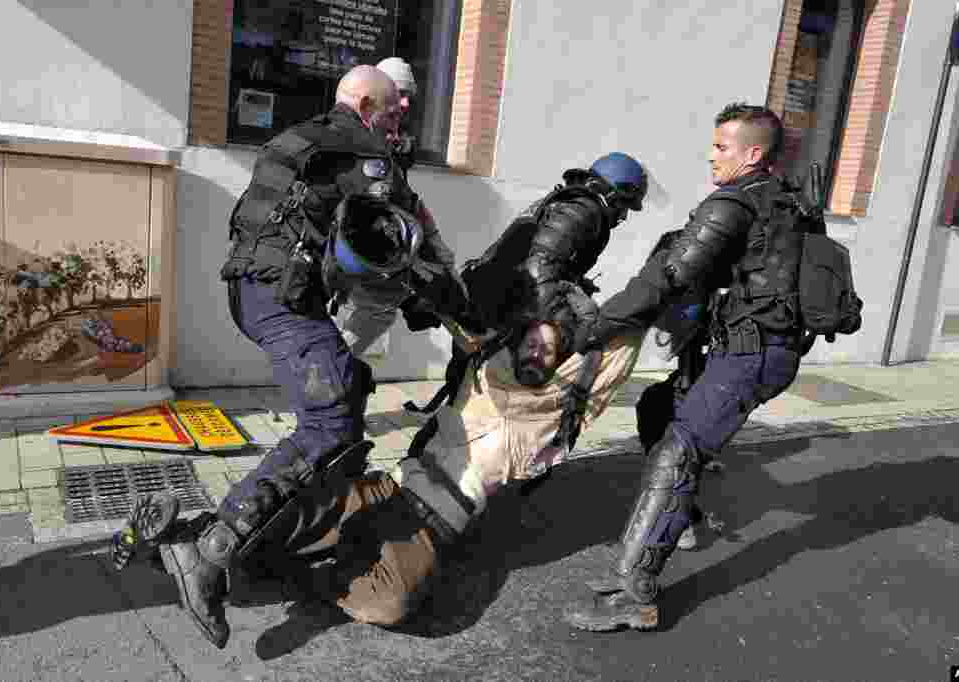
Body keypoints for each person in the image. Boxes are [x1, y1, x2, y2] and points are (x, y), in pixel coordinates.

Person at [123, 65, 469, 649]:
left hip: (254, 290)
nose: (398, 122)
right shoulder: (367, 157)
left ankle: (294, 529)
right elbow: (404, 239)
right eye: (390, 113)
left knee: (348, 390)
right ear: (363, 106)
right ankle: (208, 552)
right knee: (328, 421)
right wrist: (455, 309)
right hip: (283, 301)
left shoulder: (302, 138)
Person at [117, 290, 649, 634]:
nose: (536, 353)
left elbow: (611, 361)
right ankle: (194, 544)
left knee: (389, 606)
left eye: (548, 351)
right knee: (301, 505)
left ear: (563, 364)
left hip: (430, 528)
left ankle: (272, 568)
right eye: (531, 342)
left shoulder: (548, 410)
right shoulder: (486, 371)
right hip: (389, 490)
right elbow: (468, 306)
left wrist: (662, 288)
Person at [565, 103, 810, 632]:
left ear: (752, 154)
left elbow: (670, 274)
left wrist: (594, 328)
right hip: (760, 344)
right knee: (661, 410)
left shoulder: (733, 203)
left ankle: (635, 590)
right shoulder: (783, 201)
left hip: (752, 350)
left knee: (680, 450)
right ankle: (681, 521)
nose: (711, 155)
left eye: (721, 147)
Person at [404, 152, 648, 415]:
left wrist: (575, 282)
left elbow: (542, 257)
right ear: (611, 193)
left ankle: (433, 448)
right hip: (498, 313)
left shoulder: (568, 202)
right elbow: (537, 268)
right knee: (487, 404)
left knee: (466, 398)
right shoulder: (583, 210)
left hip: (485, 301)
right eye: (623, 206)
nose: (622, 216)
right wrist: (564, 324)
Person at [336, 56, 461, 358]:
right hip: (365, 241)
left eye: (408, 97)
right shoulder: (358, 135)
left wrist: (431, 238)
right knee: (375, 310)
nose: (404, 104)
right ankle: (332, 370)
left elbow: (404, 194)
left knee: (442, 270)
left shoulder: (391, 135)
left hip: (398, 221)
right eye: (399, 94)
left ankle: (339, 372)